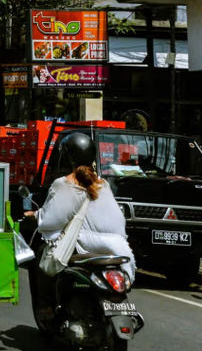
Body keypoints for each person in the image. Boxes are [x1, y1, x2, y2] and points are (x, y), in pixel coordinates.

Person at [23, 133, 136, 319]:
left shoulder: (65, 183)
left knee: (41, 256)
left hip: (86, 243)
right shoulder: (103, 184)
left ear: (68, 157)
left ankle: (46, 308)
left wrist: (35, 216)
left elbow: (53, 219)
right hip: (119, 246)